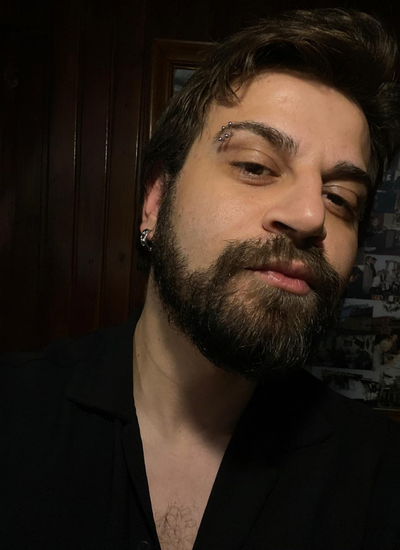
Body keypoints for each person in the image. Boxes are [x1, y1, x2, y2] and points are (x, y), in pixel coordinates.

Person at [2, 8, 400, 550]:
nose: (312, 216)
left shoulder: (378, 480)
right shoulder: (14, 417)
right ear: (156, 199)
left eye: (340, 198)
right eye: (255, 166)